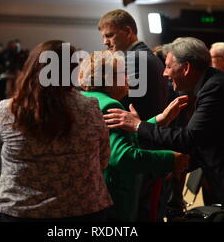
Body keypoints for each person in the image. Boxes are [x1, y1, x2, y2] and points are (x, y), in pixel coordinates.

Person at [104, 37, 224, 221]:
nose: (164, 73)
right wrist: (178, 162)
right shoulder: (212, 84)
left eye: (168, 66)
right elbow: (208, 141)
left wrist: (138, 125)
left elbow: (189, 139)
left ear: (186, 68)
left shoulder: (215, 89)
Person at [0, 40, 113, 222]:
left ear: (31, 69)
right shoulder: (90, 107)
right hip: (83, 208)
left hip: (20, 210)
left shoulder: (8, 110)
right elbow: (104, 159)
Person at [78, 50, 189, 221]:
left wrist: (160, 119)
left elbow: (123, 135)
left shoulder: (87, 98)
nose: (129, 79)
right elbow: (122, 157)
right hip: (113, 198)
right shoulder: (110, 105)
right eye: (124, 74)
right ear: (109, 78)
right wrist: (170, 158)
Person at [98, 9, 170, 221]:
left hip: (134, 149)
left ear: (128, 31)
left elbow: (115, 104)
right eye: (103, 37)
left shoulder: (132, 60)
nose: (105, 42)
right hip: (146, 144)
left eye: (109, 35)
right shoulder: (149, 57)